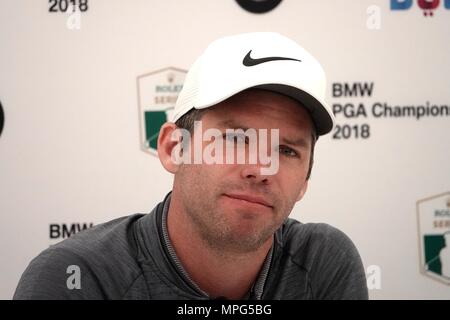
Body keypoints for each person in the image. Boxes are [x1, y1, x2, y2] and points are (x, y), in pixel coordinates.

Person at [14, 32, 368, 300]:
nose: (261, 168)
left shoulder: (324, 262)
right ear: (173, 148)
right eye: (236, 138)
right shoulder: (76, 278)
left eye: (287, 151)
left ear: (305, 180)